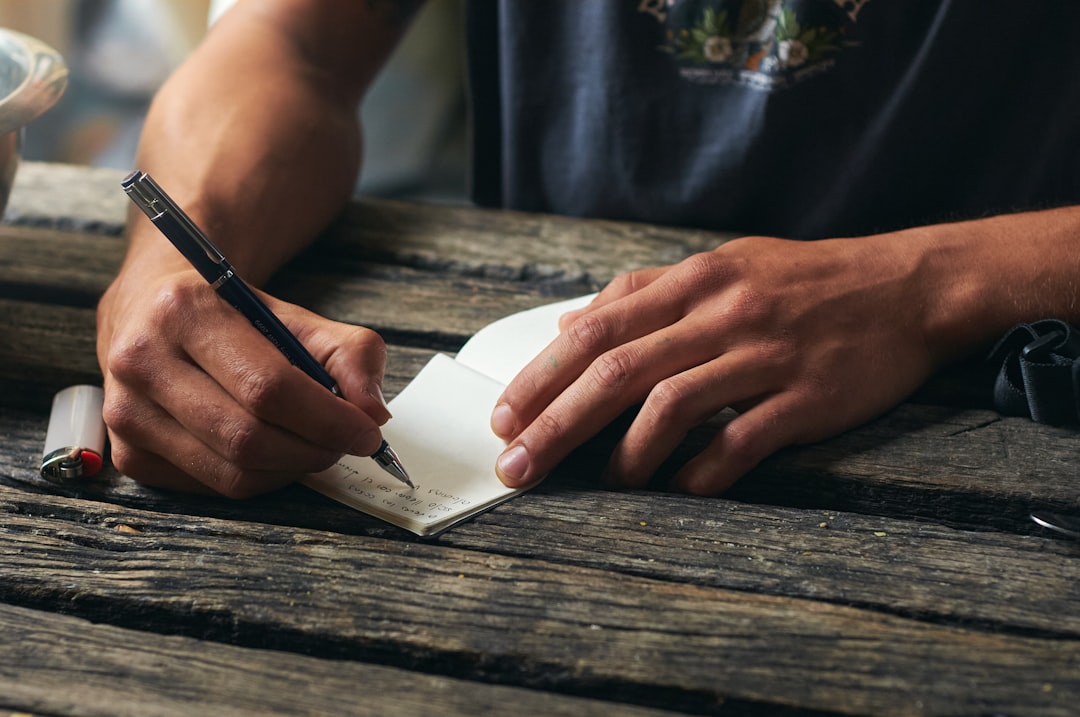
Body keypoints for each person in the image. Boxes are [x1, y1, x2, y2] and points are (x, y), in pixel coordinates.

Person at [96, 0, 1080, 499]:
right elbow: (289, 42)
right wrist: (172, 270)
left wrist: (930, 283)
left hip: (1002, 417)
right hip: (549, 404)